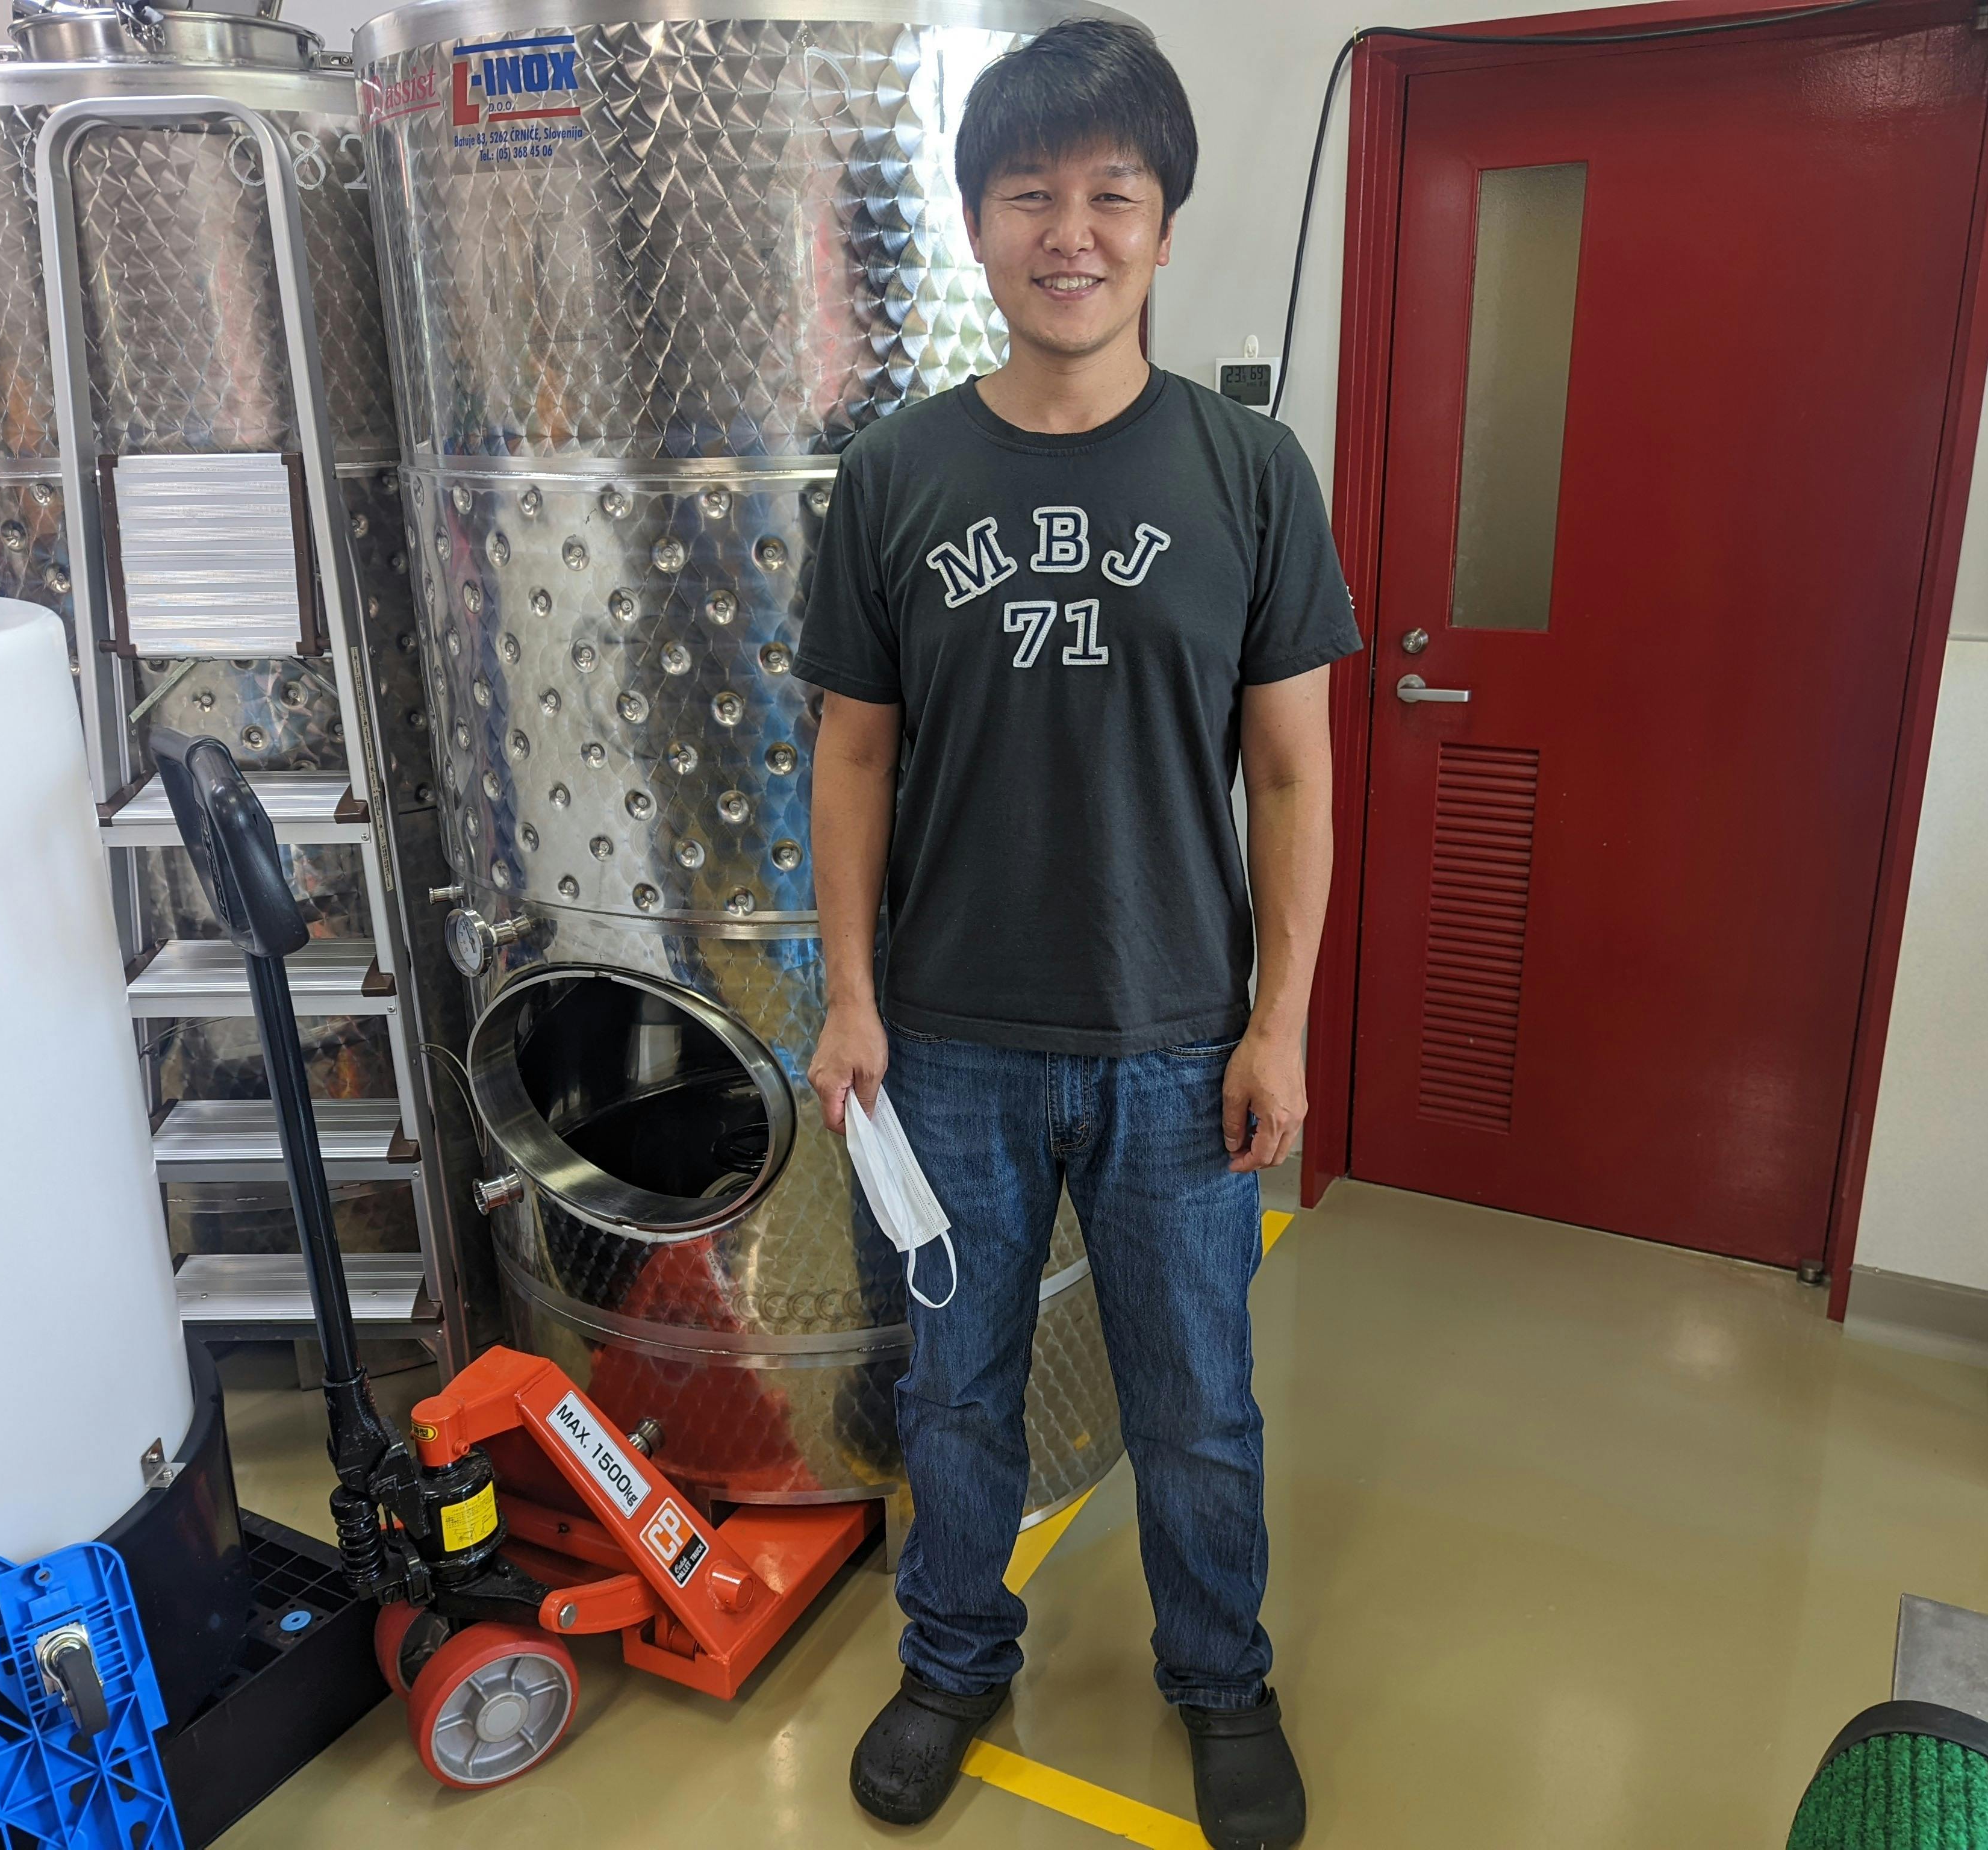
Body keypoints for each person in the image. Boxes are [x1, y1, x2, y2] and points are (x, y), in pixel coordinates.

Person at [796, 18, 1359, 1849]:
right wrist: (852, 999)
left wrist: (1279, 1024)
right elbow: (853, 755)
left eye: (1113, 195)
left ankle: (1222, 1681)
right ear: (978, 224)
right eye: (1030, 194)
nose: (1073, 233)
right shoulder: (895, 476)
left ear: (1165, 227)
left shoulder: (1249, 471)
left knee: (1198, 1403)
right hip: (945, 1045)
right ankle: (953, 1658)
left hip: (1177, 1041)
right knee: (951, 1393)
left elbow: (1292, 773)